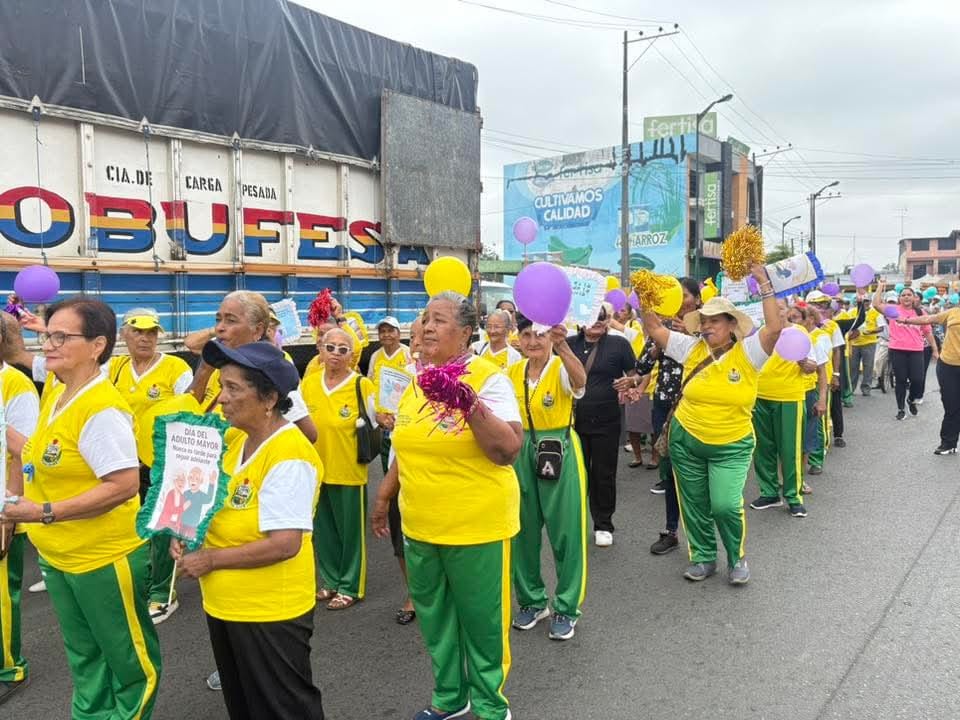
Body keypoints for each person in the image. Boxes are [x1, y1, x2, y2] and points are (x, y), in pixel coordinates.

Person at [0, 297, 161, 718]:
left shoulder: (101, 409)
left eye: (60, 337)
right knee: (85, 656)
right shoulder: (58, 390)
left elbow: (123, 485)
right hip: (60, 556)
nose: (47, 344)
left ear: (97, 346)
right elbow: (37, 452)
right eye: (47, 335)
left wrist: (42, 511)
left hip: (102, 558)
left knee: (129, 662)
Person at [371, 291, 522, 720]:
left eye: (439, 319)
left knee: (482, 622)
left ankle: (491, 706)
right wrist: (383, 496)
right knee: (435, 618)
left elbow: (508, 450)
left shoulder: (489, 378)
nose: (427, 327)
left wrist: (466, 401)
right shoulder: (415, 380)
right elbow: (405, 447)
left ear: (466, 332)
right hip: (420, 525)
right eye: (425, 318)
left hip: (476, 526)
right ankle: (451, 697)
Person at [173, 340, 325, 720]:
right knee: (244, 705)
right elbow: (210, 501)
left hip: (269, 612)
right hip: (226, 605)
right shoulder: (236, 438)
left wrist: (210, 559)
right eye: (221, 386)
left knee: (283, 709)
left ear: (269, 398)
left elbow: (284, 544)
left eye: (233, 388)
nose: (221, 398)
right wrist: (187, 530)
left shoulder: (288, 454)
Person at [639, 265, 781, 584]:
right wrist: (646, 296)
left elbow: (774, 329)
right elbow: (655, 329)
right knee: (694, 503)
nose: (706, 326)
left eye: (714, 320)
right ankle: (703, 557)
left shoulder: (749, 352)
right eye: (703, 321)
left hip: (731, 445)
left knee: (725, 505)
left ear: (731, 324)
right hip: (686, 440)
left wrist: (763, 282)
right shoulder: (690, 347)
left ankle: (736, 557)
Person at [110, 307, 194, 623]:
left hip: (164, 462)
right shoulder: (114, 368)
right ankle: (141, 584)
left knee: (163, 528)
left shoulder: (175, 368)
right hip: (126, 462)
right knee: (133, 526)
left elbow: (191, 409)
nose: (145, 338)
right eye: (138, 331)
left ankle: (163, 594)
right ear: (124, 334)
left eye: (151, 332)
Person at [507, 314, 587, 641]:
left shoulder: (560, 367)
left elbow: (580, 381)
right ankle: (532, 601)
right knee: (522, 531)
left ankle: (566, 607)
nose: (532, 341)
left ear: (550, 337)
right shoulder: (512, 371)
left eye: (539, 335)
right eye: (526, 334)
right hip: (520, 452)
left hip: (558, 448)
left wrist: (564, 346)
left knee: (566, 533)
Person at [617, 277, 701, 555]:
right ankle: (671, 531)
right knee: (670, 472)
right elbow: (642, 365)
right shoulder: (662, 328)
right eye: (677, 295)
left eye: (685, 295)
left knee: (698, 476)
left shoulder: (710, 326)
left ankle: (704, 539)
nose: (681, 301)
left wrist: (692, 335)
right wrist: (657, 346)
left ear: (697, 299)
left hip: (697, 407)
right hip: (665, 407)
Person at [301, 328, 378, 611]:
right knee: (324, 531)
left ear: (352, 355)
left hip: (349, 470)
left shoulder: (361, 385)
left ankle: (350, 586)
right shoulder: (309, 383)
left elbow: (376, 423)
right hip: (317, 471)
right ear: (320, 350)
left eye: (343, 349)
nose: (335, 353)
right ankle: (331, 580)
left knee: (350, 534)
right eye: (330, 347)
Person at [567, 304, 637, 547]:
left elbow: (635, 374)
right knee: (575, 476)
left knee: (603, 475)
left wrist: (630, 382)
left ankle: (603, 524)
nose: (597, 321)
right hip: (572, 422)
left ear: (608, 319)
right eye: (592, 316)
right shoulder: (567, 344)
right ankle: (574, 523)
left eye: (602, 316)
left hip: (607, 420)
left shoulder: (619, 344)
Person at [0, 319, 40, 706]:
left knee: (0, 597)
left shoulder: (16, 385)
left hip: (2, 506)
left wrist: (10, 509)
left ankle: (9, 669)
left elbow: (25, 453)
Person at [366, 316, 416, 623]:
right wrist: (380, 418)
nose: (421, 347)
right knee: (400, 531)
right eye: (419, 339)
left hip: (431, 478)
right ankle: (413, 595)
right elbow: (374, 393)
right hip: (394, 443)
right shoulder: (378, 359)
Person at [749, 302, 817, 518]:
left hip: (789, 397)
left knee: (790, 449)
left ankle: (793, 496)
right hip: (759, 396)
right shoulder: (759, 333)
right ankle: (769, 493)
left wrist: (805, 363)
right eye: (771, 307)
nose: (776, 311)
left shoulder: (799, 333)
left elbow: (812, 365)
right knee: (763, 448)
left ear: (788, 310)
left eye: (780, 307)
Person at [898, 302, 960, 454]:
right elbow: (928, 319)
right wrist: (906, 320)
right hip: (948, 365)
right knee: (951, 406)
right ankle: (948, 443)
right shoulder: (953, 312)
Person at [872, 283, 938, 420]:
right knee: (901, 380)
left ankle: (911, 399)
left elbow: (928, 332)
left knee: (917, 379)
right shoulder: (893, 310)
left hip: (916, 350)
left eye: (909, 295)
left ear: (914, 298)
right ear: (899, 298)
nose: (906, 297)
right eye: (903, 295)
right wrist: (880, 286)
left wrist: (935, 350)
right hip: (897, 350)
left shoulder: (920, 313)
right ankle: (901, 409)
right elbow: (876, 304)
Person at [790, 305, 830, 483]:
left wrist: (822, 400)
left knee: (806, 438)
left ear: (806, 320)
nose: (791, 322)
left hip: (807, 393)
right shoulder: (775, 340)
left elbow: (822, 373)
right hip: (785, 396)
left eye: (795, 318)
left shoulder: (812, 340)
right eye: (788, 318)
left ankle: (799, 479)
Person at [848, 298, 883, 396]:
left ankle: (866, 388)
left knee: (868, 366)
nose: (865, 303)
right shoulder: (851, 312)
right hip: (854, 343)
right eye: (863, 301)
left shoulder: (875, 312)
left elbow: (881, 328)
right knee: (852, 367)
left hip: (869, 343)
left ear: (870, 302)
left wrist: (870, 331)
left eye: (867, 301)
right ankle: (851, 388)